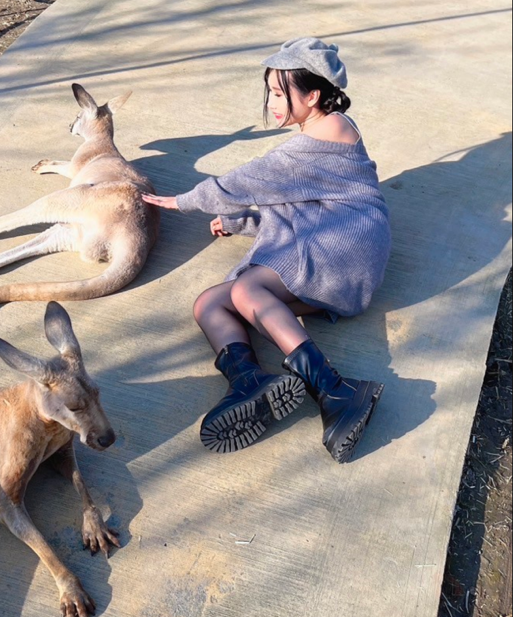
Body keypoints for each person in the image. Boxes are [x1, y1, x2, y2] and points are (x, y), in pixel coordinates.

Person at [141, 38, 391, 463]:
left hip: (351, 241)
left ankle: (336, 389)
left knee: (245, 290)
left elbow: (259, 179)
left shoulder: (329, 129)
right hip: (326, 233)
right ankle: (249, 382)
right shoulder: (316, 131)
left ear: (312, 96)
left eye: (280, 93)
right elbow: (299, 205)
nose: (272, 103)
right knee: (209, 305)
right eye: (270, 92)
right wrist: (243, 222)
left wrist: (187, 200)